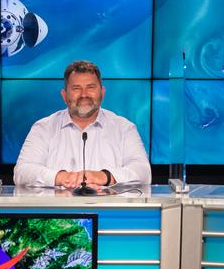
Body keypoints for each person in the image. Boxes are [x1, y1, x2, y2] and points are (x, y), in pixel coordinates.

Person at [14, 60, 151, 188]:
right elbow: (22, 172)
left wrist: (105, 176)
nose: (84, 95)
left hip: (109, 206)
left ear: (102, 93)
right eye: (76, 88)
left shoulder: (124, 128)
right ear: (64, 95)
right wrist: (61, 177)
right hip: (59, 206)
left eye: (91, 87)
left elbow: (143, 172)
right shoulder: (43, 128)